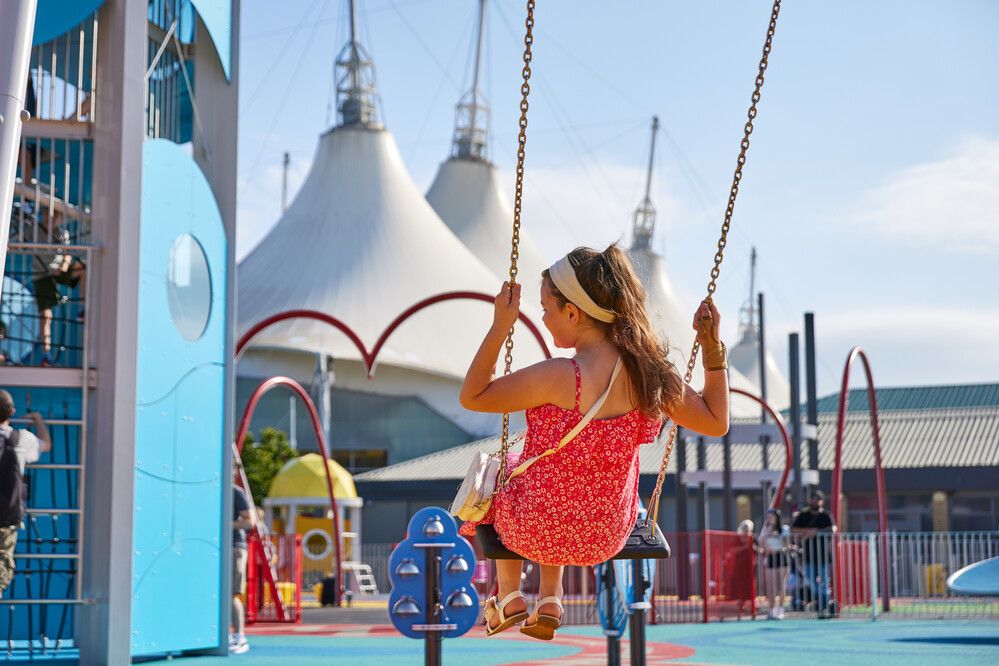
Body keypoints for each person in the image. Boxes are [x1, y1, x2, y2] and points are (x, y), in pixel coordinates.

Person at [459, 245, 729, 640]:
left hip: (532, 528)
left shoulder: (557, 376)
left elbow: (473, 396)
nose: (545, 318)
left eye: (547, 308)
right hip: (604, 535)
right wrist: (711, 349)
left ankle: (510, 594)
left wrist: (502, 326)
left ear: (574, 312)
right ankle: (550, 598)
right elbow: (715, 421)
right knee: (559, 483)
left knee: (506, 470)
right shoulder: (648, 374)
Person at [0, 390, 52, 596]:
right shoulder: (22, 438)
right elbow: (46, 445)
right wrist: (38, 419)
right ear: (12, 411)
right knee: (3, 561)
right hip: (7, 517)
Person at [791, 490, 836, 618]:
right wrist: (808, 531)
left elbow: (833, 529)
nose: (815, 501)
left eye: (818, 499)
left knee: (823, 583)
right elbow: (794, 529)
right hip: (808, 556)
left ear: (822, 501)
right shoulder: (803, 515)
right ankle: (828, 602)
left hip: (823, 556)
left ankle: (823, 608)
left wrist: (816, 532)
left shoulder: (826, 515)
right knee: (812, 583)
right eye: (813, 498)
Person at [230, 482, 254, 654]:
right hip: (218, 546)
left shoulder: (234, 492)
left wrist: (227, 524)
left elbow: (250, 522)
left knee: (232, 593)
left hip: (234, 546)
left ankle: (240, 636)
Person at [759, 509, 788, 619]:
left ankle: (780, 609)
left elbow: (787, 545)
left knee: (780, 586)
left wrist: (776, 536)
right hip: (770, 558)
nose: (770, 519)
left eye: (772, 516)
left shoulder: (784, 530)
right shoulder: (765, 530)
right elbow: (762, 546)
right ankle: (770, 610)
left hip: (781, 558)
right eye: (768, 517)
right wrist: (766, 534)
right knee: (771, 587)